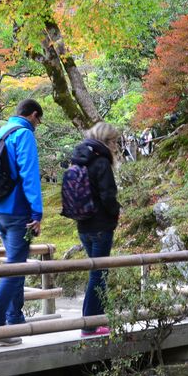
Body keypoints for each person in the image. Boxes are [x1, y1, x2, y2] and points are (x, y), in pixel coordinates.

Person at [0, 99, 44, 345]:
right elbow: (29, 174)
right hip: (18, 210)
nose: (38, 125)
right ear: (32, 115)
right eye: (39, 120)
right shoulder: (24, 135)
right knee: (14, 267)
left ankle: (14, 317)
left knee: (15, 263)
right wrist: (37, 213)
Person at [70, 122, 122, 337]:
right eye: (115, 142)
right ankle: (90, 324)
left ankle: (95, 320)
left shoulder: (79, 159)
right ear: (107, 141)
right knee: (98, 274)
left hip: (83, 225)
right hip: (101, 225)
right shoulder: (100, 162)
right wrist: (116, 213)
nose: (117, 146)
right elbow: (108, 196)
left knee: (96, 272)